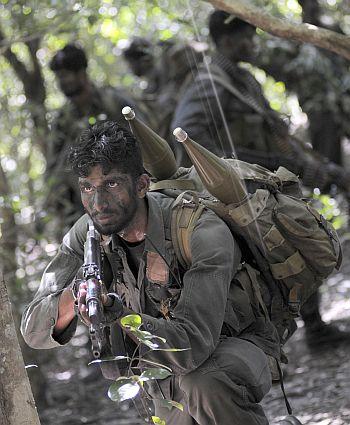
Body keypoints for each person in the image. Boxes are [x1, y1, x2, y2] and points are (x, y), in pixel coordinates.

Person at [21, 120, 289, 425]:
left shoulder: (199, 231)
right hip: (165, 374)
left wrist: (118, 314)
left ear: (141, 185)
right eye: (87, 187)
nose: (97, 203)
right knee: (185, 389)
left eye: (111, 184)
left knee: (204, 384)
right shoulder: (89, 232)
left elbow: (193, 345)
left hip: (238, 349)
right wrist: (76, 295)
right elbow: (32, 330)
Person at [171, 10, 350, 347]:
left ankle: (314, 326)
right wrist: (242, 168)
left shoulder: (242, 79)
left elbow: (272, 132)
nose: (253, 44)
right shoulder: (209, 84)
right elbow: (188, 135)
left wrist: (303, 164)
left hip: (266, 183)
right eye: (247, 37)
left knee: (300, 240)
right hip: (242, 192)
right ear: (226, 41)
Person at [46, 43, 141, 234]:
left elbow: (143, 142)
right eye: (58, 77)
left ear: (81, 73)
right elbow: (53, 168)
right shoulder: (63, 120)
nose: (61, 82)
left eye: (65, 75)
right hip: (82, 209)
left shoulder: (113, 102)